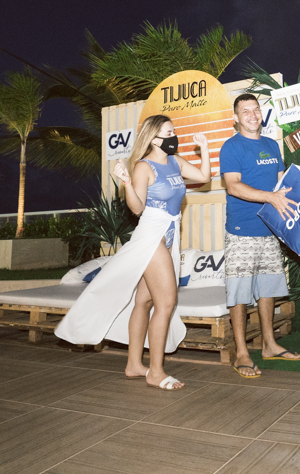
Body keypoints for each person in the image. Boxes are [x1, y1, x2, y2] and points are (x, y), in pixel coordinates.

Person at [54, 115, 211, 391]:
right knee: (166, 303)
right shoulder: (143, 167)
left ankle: (134, 365)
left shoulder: (176, 162)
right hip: (152, 235)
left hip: (171, 233)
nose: (173, 137)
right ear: (153, 138)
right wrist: (127, 182)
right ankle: (155, 372)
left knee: (144, 300)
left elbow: (204, 177)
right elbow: (137, 208)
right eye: (168, 133)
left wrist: (205, 148)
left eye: (173, 132)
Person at [220, 93, 300, 378]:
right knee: (239, 293)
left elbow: (282, 184)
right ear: (236, 118)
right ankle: (242, 353)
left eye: (256, 109)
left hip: (270, 229)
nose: (253, 115)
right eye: (246, 111)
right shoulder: (231, 147)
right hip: (241, 231)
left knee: (267, 288)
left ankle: (269, 344)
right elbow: (233, 186)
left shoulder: (271, 145)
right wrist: (270, 197)